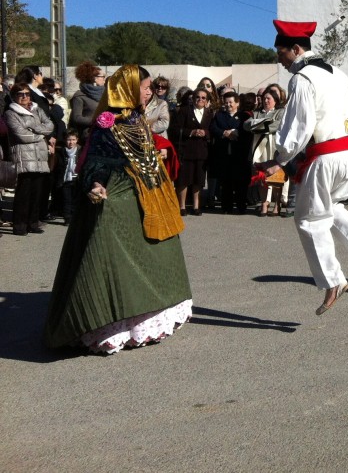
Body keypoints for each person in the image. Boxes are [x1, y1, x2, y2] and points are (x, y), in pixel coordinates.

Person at [43, 65, 191, 353]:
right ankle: (114, 323)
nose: (149, 91)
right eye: (145, 86)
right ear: (127, 89)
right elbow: (94, 161)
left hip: (151, 196)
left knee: (157, 256)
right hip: (121, 198)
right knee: (115, 264)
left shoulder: (137, 118)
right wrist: (95, 183)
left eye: (150, 87)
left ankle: (152, 317)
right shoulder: (107, 124)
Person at [256, 20, 348, 316]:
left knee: (309, 219)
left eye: (281, 52)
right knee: (328, 204)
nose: (279, 58)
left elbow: (300, 125)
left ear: (296, 49)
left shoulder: (302, 79)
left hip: (327, 156)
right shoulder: (339, 73)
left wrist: (279, 159)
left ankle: (333, 281)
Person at [5, 82, 55, 235]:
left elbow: (50, 125)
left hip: (40, 155)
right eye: (21, 94)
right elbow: (21, 135)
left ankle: (33, 223)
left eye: (27, 94)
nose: (25, 97)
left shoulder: (37, 109)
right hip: (24, 155)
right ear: (14, 96)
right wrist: (41, 134)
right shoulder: (11, 113)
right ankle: (20, 225)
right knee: (24, 193)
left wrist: (35, 129)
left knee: (37, 192)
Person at [170, 86, 213, 216]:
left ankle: (196, 206)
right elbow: (175, 130)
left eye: (203, 98)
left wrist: (205, 133)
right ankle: (182, 206)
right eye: (197, 97)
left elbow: (213, 131)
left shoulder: (210, 113)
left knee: (198, 180)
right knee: (183, 180)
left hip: (202, 152)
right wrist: (191, 132)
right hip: (186, 151)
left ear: (207, 100)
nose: (200, 99)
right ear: (193, 99)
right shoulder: (183, 111)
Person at [245, 86, 287, 215]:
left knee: (276, 179)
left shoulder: (280, 112)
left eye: (268, 98)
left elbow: (278, 125)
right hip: (259, 149)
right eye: (264, 99)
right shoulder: (257, 112)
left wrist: (259, 126)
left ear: (275, 100)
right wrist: (262, 123)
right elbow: (247, 125)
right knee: (261, 177)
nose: (266, 101)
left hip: (274, 147)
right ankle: (264, 203)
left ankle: (277, 205)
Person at [210, 91, 252, 214]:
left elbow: (248, 131)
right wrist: (224, 133)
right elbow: (213, 128)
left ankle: (241, 206)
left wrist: (236, 132)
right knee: (225, 181)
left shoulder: (244, 116)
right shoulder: (219, 115)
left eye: (231, 102)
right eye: (226, 102)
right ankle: (226, 206)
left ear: (237, 103)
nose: (228, 105)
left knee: (241, 182)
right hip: (224, 153)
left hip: (240, 154)